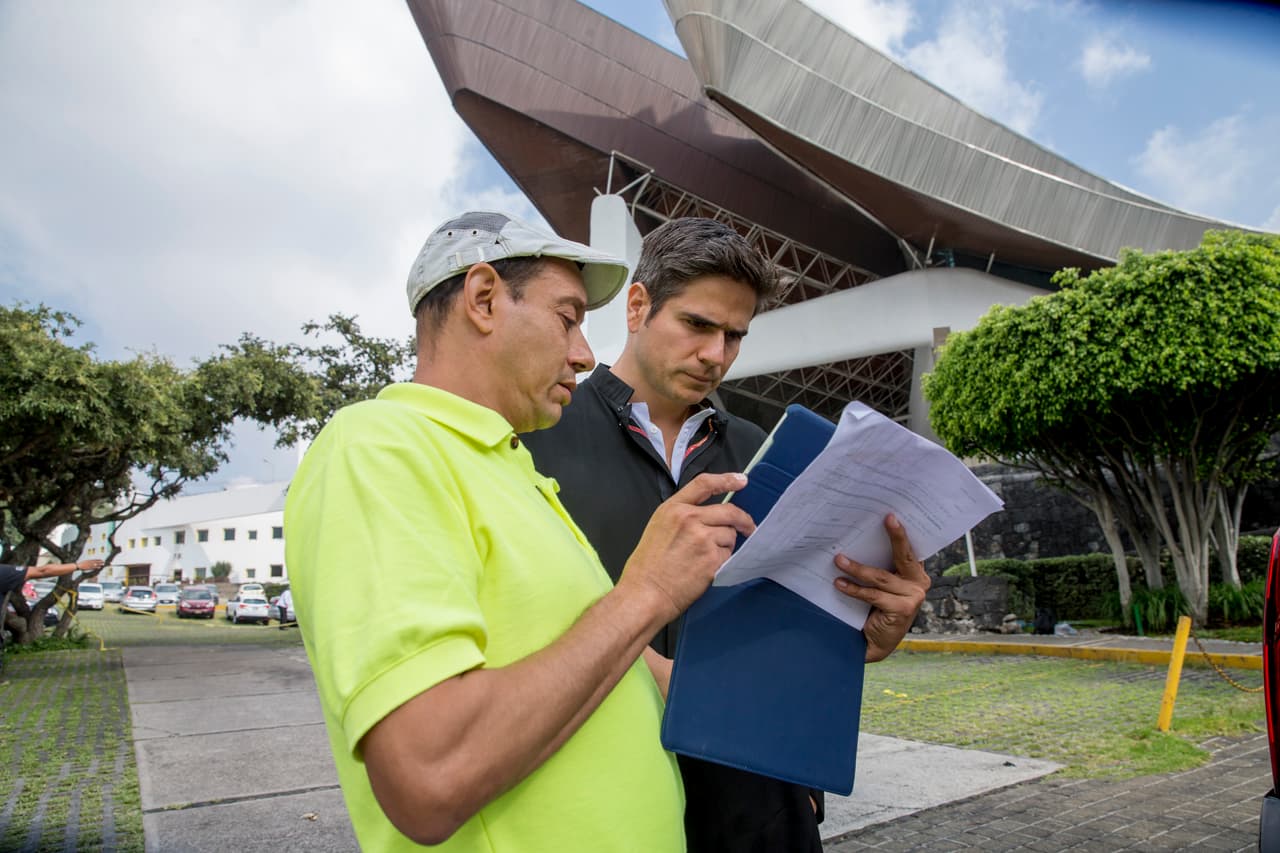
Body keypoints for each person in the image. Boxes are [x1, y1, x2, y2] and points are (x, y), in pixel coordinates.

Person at [283, 211, 758, 851]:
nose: (585, 354)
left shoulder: (515, 472)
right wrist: (645, 594)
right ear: (482, 300)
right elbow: (429, 775)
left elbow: (625, 673)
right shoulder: (377, 447)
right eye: (567, 317)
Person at [522, 217, 931, 852]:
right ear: (637, 306)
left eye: (734, 336)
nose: (717, 354)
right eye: (697, 325)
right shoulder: (535, 439)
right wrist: (642, 669)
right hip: (601, 801)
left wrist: (860, 636)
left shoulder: (766, 455)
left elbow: (790, 623)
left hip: (762, 805)